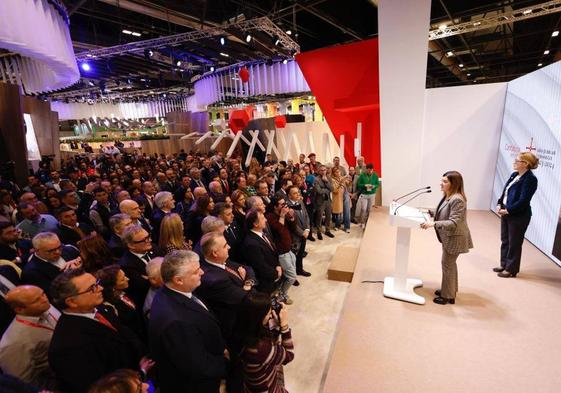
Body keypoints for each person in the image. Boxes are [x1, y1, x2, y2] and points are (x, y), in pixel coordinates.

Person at [48, 268, 151, 393]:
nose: (100, 288)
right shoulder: (68, 345)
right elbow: (97, 386)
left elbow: (123, 332)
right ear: (72, 302)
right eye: (92, 288)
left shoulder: (99, 308)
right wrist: (139, 375)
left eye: (97, 283)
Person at [149, 250, 228, 393]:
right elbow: (198, 365)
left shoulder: (174, 291)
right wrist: (228, 363)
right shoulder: (175, 322)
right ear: (178, 280)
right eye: (196, 271)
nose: (202, 272)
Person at [420, 171, 473, 305]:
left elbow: (453, 222)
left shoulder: (457, 199)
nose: (441, 183)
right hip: (448, 237)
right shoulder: (448, 196)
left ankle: (447, 297)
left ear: (453, 184)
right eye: (441, 180)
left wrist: (434, 224)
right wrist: (431, 213)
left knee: (447, 266)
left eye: (445, 181)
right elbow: (444, 211)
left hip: (455, 238)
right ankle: (449, 291)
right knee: (449, 265)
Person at [0, 285, 60, 388]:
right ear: (20, 309)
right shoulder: (13, 343)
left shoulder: (46, 308)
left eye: (43, 294)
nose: (45, 299)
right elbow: (23, 383)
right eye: (37, 300)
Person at [494, 152, 539, 278]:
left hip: (519, 216)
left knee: (514, 243)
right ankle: (504, 264)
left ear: (525, 164)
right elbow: (505, 192)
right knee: (505, 240)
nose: (514, 162)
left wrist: (509, 210)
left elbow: (524, 200)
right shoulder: (515, 174)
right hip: (506, 212)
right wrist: (499, 203)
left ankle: (511, 269)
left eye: (517, 160)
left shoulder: (530, 179)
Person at [239, 293, 294, 393]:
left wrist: (276, 325)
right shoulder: (262, 348)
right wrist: (284, 326)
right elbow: (289, 356)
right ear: (259, 318)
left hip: (251, 385)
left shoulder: (242, 332)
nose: (270, 316)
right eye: (268, 314)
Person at [21, 232, 81, 298]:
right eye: (51, 251)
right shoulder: (31, 272)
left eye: (59, 247)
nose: (58, 252)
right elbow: (54, 295)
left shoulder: (69, 250)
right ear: (37, 250)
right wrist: (72, 273)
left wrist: (80, 261)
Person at [242, 209, 282, 295]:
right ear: (255, 224)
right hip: (266, 281)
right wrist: (276, 273)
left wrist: (278, 265)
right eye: (263, 218)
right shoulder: (251, 243)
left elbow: (272, 252)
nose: (266, 220)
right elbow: (261, 267)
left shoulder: (263, 233)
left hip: (273, 272)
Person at [312, 165, 334, 239]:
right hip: (320, 201)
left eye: (324, 170)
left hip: (328, 200)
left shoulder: (329, 178)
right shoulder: (316, 179)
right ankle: (319, 231)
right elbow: (319, 191)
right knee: (319, 217)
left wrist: (326, 182)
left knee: (328, 216)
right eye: (321, 170)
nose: (323, 171)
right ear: (319, 171)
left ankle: (327, 230)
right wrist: (326, 189)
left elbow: (332, 189)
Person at [355, 163, 379, 228]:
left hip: (372, 194)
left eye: (371, 170)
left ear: (372, 169)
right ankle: (362, 222)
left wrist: (374, 186)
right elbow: (359, 185)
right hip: (364, 194)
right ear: (366, 169)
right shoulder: (362, 175)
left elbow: (377, 184)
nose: (370, 172)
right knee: (363, 209)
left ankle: (368, 223)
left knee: (369, 209)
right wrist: (364, 185)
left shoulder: (375, 175)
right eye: (368, 170)